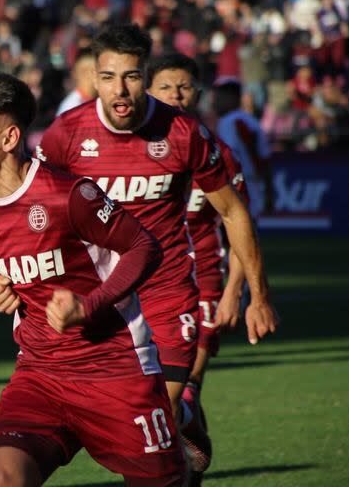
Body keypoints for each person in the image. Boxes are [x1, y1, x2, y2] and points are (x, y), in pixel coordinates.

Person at [23, 23, 277, 469]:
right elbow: (30, 209)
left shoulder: (182, 133)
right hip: (98, 296)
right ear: (93, 78)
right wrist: (9, 273)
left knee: (154, 425)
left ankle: (179, 420)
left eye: (131, 76)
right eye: (107, 77)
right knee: (132, 428)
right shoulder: (66, 133)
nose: (119, 89)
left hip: (166, 291)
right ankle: (183, 424)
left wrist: (257, 294)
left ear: (144, 74)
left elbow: (234, 213)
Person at [0, 71, 185, 486]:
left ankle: (180, 420)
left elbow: (143, 247)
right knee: (5, 476)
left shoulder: (69, 194)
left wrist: (89, 305)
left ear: (8, 139)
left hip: (114, 371)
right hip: (39, 374)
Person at [147, 53, 249, 485]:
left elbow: (241, 225)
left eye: (185, 86)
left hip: (203, 285)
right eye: (166, 86)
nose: (176, 95)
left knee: (181, 388)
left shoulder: (214, 150)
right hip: (145, 290)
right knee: (155, 402)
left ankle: (184, 449)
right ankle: (188, 442)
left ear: (199, 92)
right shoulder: (130, 150)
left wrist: (235, 292)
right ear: (148, 91)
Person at [214, 77, 274, 220]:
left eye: (220, 96)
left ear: (233, 97)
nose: (215, 101)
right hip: (245, 182)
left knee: (242, 229)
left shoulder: (234, 121)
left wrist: (268, 190)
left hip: (242, 183)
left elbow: (257, 156)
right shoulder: (246, 119)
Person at [55, 47, 97, 116]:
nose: (90, 76)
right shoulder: (71, 108)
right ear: (74, 73)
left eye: (94, 70)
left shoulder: (98, 102)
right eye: (85, 71)